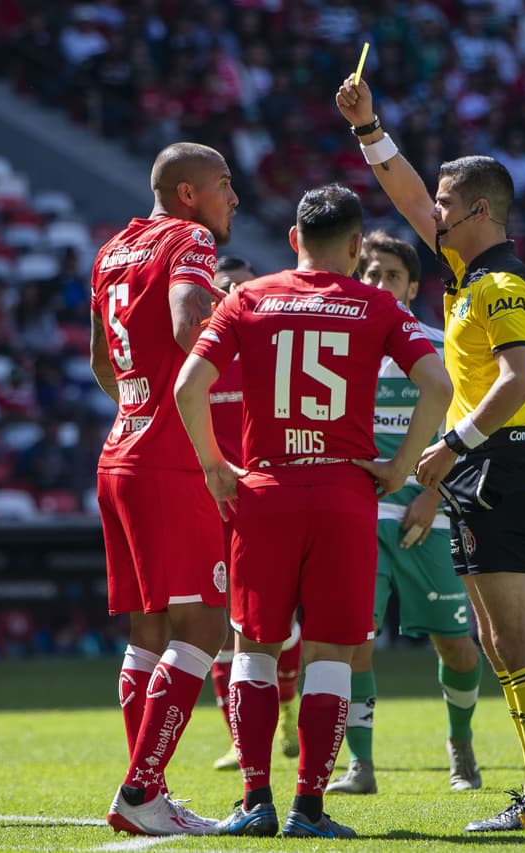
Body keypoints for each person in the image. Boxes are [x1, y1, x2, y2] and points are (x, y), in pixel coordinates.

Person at [174, 184, 451, 838]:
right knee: (332, 652)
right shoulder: (378, 304)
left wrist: (214, 466)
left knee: (253, 648)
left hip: (265, 489)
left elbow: (189, 385)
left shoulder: (248, 297)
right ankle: (309, 807)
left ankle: (254, 800)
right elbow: (437, 384)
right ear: (356, 247)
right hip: (344, 494)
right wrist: (401, 467)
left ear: (294, 239)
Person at [335, 75, 525, 832]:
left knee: (513, 637)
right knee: (497, 641)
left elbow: (518, 380)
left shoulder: (500, 284)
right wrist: (369, 128)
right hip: (482, 464)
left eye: (443, 203)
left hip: (499, 461)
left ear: (479, 212)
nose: (429, 213)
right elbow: (406, 195)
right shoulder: (468, 275)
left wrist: (449, 444)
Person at [90, 142, 237, 837]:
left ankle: (149, 796)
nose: (232, 198)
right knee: (205, 625)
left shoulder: (111, 250)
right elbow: (187, 324)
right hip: (169, 462)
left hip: (120, 450)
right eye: (223, 184)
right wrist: (239, 324)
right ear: (187, 193)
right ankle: (141, 789)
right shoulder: (191, 240)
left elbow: (102, 361)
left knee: (147, 631)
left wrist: (141, 409)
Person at [325, 230, 484, 796]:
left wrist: (433, 493)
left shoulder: (441, 346)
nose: (380, 283)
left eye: (392, 275)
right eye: (371, 274)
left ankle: (461, 745)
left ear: (414, 287)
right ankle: (360, 765)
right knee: (354, 641)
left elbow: (468, 430)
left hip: (430, 516)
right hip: (361, 517)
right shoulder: (340, 345)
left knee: (456, 644)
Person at [203, 256, 306, 773]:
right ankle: (239, 737)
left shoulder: (274, 352)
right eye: (227, 287)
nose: (238, 295)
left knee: (278, 621)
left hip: (266, 499)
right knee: (220, 623)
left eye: (246, 287)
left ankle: (287, 707)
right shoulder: (199, 357)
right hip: (211, 503)